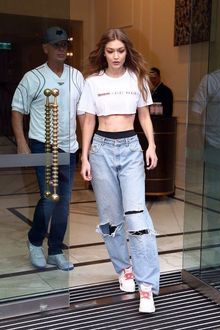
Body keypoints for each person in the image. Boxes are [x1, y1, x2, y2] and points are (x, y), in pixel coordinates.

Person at [78, 28, 160, 313]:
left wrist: (151, 145)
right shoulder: (92, 82)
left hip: (130, 148)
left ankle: (146, 284)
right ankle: (124, 268)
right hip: (101, 149)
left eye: (120, 51)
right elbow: (88, 120)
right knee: (110, 218)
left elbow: (144, 116)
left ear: (127, 51)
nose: (115, 56)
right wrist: (85, 156)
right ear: (104, 52)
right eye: (110, 51)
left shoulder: (138, 79)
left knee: (137, 217)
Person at [11, 26, 84, 271]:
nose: (61, 49)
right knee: (50, 199)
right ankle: (34, 241)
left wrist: (86, 147)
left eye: (64, 45)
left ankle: (55, 251)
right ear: (46, 48)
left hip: (69, 147)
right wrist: (22, 142)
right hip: (44, 145)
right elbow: (17, 109)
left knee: (63, 203)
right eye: (56, 45)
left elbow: (83, 113)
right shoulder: (33, 77)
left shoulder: (76, 76)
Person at [191, 67, 220, 276]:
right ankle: (214, 239)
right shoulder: (211, 80)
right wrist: (200, 144)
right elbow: (196, 112)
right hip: (215, 145)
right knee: (215, 193)